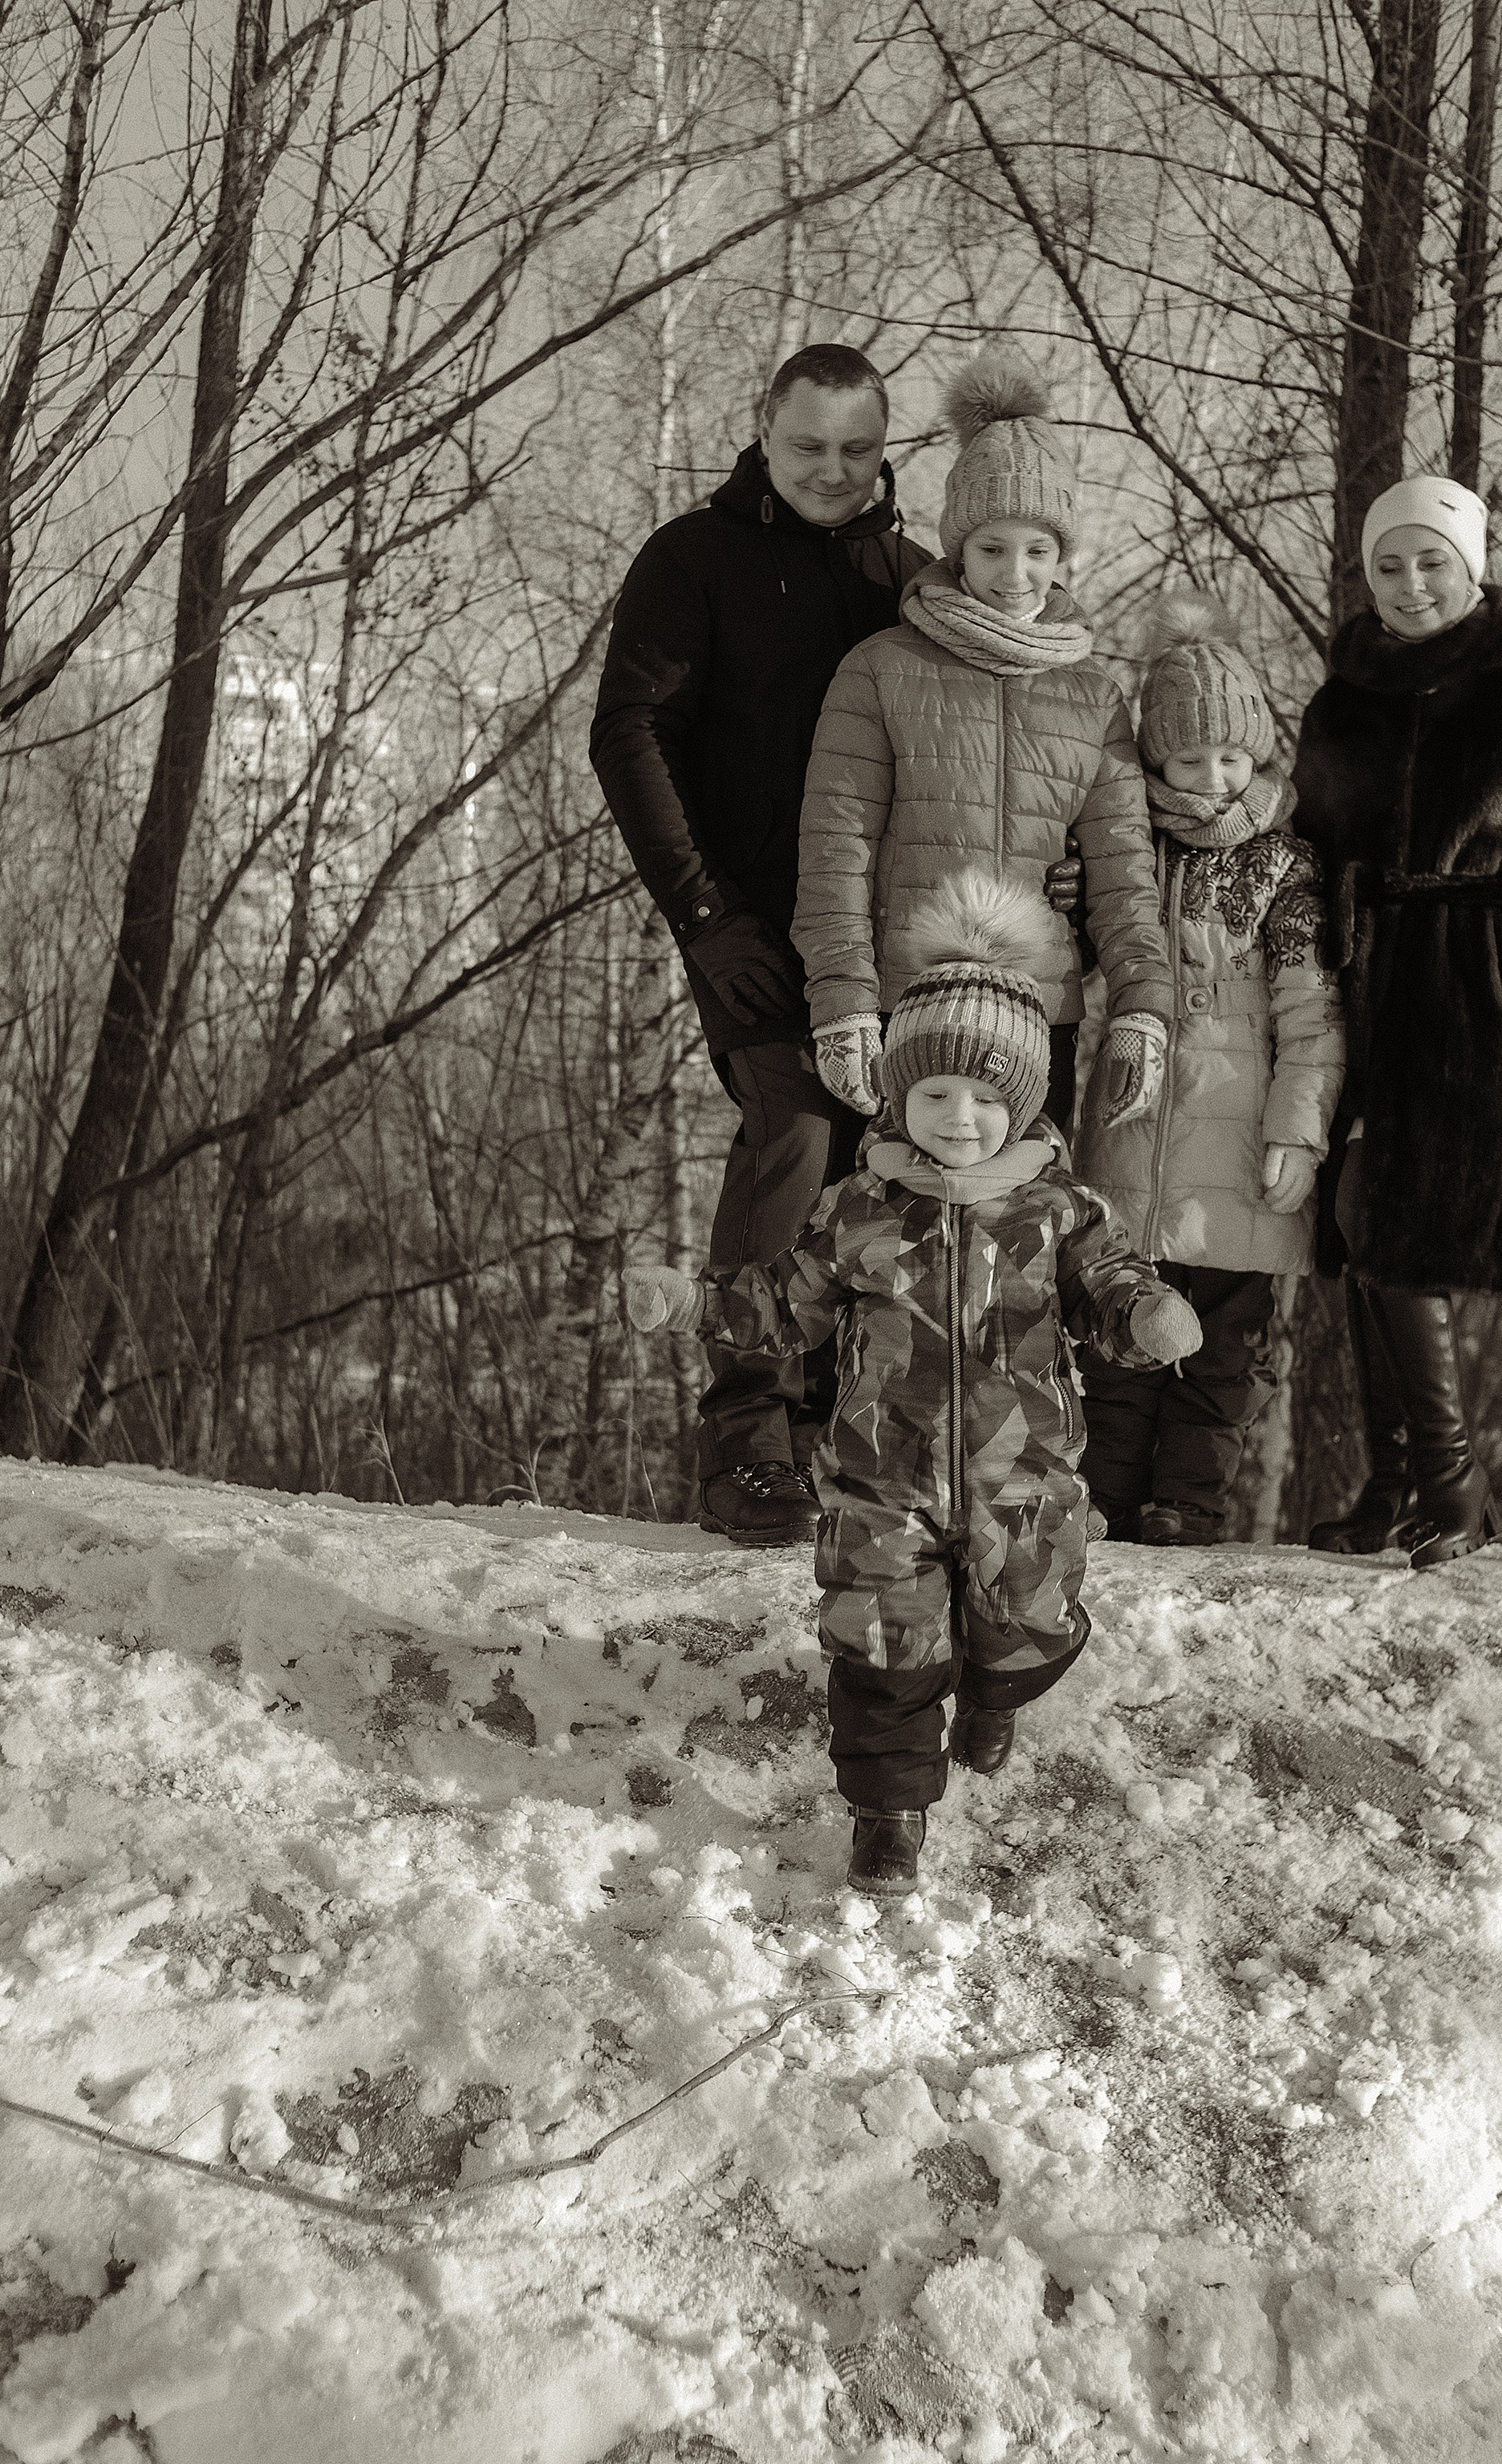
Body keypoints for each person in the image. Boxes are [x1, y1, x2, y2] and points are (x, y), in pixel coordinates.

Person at [622, 874, 1202, 1897]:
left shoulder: (1055, 1210)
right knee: (879, 1649)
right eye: (935, 1094)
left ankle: (994, 1692)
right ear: (898, 1096)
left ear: (1021, 1101)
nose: (960, 1118)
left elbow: (1108, 1285)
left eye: (986, 1098)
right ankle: (886, 1820)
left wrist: (1144, 1314)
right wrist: (689, 1302)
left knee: (1025, 1625)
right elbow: (782, 1303)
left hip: (1021, 1481)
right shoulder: (859, 1206)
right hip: (877, 1481)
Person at [589, 344, 932, 1548]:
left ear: (885, 448)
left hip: (889, 936)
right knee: (789, 1132)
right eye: (807, 446)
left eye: (856, 449)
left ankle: (848, 1435)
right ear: (764, 434)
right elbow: (630, 735)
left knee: (883, 1169)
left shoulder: (916, 576)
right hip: (744, 924)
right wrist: (702, 914)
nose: (832, 471)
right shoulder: (694, 559)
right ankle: (748, 1443)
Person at [1295, 476, 1502, 1570]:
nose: (1411, 583)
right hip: (1353, 984)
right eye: (1389, 564)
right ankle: (1395, 1484)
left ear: (1471, 566)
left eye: (1432, 561)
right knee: (1352, 1229)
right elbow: (1304, 849)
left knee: (1401, 1226)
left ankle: (1452, 1483)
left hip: (1470, 992)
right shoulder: (1339, 701)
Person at [791, 346, 1172, 1145]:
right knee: (894, 1247)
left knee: (1028, 1242)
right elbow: (836, 851)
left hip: (1039, 1019)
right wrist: (842, 1003)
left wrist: (1141, 1008)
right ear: (957, 548)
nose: (1015, 572)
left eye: (1037, 549)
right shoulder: (880, 669)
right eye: (992, 547)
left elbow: (1124, 875)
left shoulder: (1093, 697)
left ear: (1061, 555)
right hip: (908, 1012)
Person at [1074, 592, 1345, 1545]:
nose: (1211, 777)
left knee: (1224, 1350)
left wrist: (1295, 1133)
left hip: (1238, 1150)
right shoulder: (1124, 850)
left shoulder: (1282, 865)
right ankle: (1102, 1499)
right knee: (1118, 1335)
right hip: (1129, 1138)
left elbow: (1310, 1011)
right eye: (1188, 759)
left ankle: (1185, 1505)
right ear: (1154, 760)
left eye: (1229, 757)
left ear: (1257, 753)